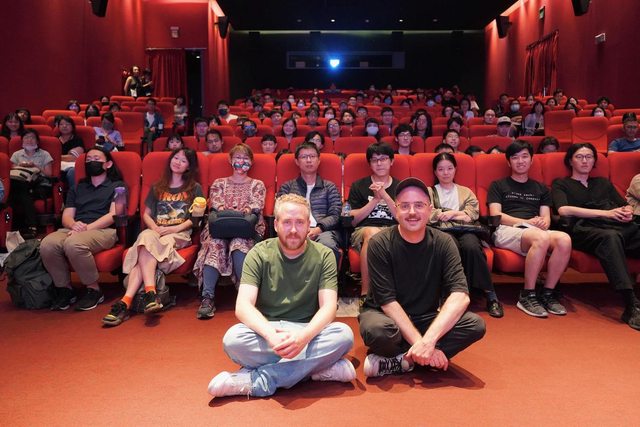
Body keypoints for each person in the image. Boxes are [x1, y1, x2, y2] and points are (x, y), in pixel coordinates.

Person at [207, 194, 355, 398]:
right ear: (276, 225)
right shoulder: (258, 253)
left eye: (300, 222)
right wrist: (271, 335)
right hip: (269, 332)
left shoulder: (324, 255)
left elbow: (328, 308)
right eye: (287, 222)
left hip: (307, 331)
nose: (293, 230)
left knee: (344, 335)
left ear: (309, 224)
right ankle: (316, 369)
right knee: (233, 340)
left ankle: (259, 380)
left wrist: (302, 338)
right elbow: (243, 306)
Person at [358, 177, 486, 377]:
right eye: (405, 206)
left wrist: (428, 340)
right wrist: (424, 343)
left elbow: (460, 295)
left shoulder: (445, 243)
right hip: (386, 316)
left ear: (429, 209)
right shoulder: (379, 243)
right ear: (396, 210)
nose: (412, 212)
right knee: (378, 331)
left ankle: (403, 361)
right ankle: (425, 355)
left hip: (425, 317)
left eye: (419, 205)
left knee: (475, 325)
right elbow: (387, 302)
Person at [102, 148, 203, 326]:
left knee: (144, 244)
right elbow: (146, 215)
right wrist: (155, 227)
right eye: (176, 158)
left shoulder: (195, 188)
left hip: (179, 234)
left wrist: (175, 228)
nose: (178, 162)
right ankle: (149, 295)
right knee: (146, 237)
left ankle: (126, 301)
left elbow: (196, 218)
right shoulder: (157, 187)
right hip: (156, 231)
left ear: (188, 167)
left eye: (183, 160)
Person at [552, 143, 640, 330]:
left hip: (616, 226)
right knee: (610, 238)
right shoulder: (562, 184)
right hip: (583, 229)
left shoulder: (603, 183)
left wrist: (627, 212)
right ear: (570, 161)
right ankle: (630, 303)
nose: (585, 160)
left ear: (594, 161)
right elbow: (563, 210)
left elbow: (623, 205)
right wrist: (605, 213)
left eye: (589, 157)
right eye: (579, 157)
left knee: (624, 233)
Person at [488, 140, 572, 317]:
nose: (520, 161)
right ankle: (527, 294)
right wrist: (526, 222)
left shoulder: (541, 188)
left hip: (534, 230)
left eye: (525, 156)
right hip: (506, 229)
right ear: (508, 162)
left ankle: (547, 293)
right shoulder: (498, 185)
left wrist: (542, 223)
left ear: (532, 160)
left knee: (564, 240)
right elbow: (496, 215)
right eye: (515, 157)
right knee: (540, 237)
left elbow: (546, 218)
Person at [41, 147, 124, 311]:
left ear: (108, 164)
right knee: (47, 244)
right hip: (75, 228)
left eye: (96, 159)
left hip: (103, 230)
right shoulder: (78, 187)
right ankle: (65, 289)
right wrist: (73, 225)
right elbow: (67, 215)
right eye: (88, 160)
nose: (92, 162)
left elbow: (114, 214)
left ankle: (94, 289)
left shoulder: (118, 186)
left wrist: (85, 229)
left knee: (74, 244)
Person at [194, 144, 266, 319]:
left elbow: (254, 208)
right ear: (230, 160)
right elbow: (216, 206)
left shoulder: (257, 185)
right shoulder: (219, 183)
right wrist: (238, 213)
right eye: (237, 158)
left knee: (238, 243)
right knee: (215, 244)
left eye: (245, 158)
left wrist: (236, 213)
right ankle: (207, 297)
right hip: (220, 228)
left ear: (251, 162)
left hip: (247, 229)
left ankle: (245, 297)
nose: (241, 161)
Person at [428, 154, 503, 317]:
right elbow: (428, 213)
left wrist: (451, 214)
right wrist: (459, 214)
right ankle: (451, 295)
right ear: (435, 171)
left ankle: (490, 294)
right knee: (451, 247)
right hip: (442, 231)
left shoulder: (465, 191)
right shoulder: (429, 192)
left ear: (455, 169)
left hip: (466, 229)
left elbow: (473, 214)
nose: (446, 173)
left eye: (449, 168)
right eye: (441, 169)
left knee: (472, 247)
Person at [348, 142, 399, 300]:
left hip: (393, 230)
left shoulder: (400, 186)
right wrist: (375, 200)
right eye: (374, 160)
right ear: (369, 164)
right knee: (372, 233)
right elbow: (352, 221)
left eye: (383, 159)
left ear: (391, 161)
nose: (379, 163)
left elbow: (402, 218)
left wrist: (384, 195)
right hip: (364, 232)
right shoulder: (359, 185)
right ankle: (366, 295)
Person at [277, 142, 342, 266]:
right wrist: (299, 229)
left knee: (328, 246)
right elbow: (280, 213)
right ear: (297, 161)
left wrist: (318, 229)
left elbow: (335, 214)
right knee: (286, 246)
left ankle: (326, 279)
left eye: (312, 156)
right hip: (293, 229)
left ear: (318, 160)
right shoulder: (287, 187)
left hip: (323, 231)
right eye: (304, 157)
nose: (308, 160)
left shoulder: (329, 187)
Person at [9, 129, 54, 238]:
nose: (29, 140)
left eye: (32, 137)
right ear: (22, 140)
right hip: (21, 182)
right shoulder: (17, 154)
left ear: (37, 141)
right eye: (26, 137)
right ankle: (32, 226)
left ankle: (16, 226)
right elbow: (12, 172)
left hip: (40, 184)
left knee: (18, 192)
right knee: (21, 189)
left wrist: (36, 166)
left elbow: (49, 174)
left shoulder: (44, 154)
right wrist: (20, 166)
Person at [56, 115, 85, 187]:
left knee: (72, 172)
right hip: (56, 166)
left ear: (72, 126)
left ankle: (74, 192)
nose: (64, 126)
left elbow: (74, 158)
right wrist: (66, 156)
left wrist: (57, 157)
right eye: (61, 124)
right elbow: (50, 157)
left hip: (71, 167)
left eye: (67, 124)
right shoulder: (55, 140)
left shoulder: (77, 139)